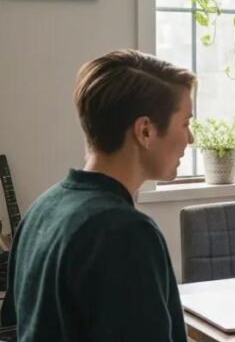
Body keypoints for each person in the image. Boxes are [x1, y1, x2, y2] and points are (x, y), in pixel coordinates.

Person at [0, 50, 194, 341]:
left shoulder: (42, 209)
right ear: (145, 131)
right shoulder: (125, 233)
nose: (190, 139)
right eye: (186, 124)